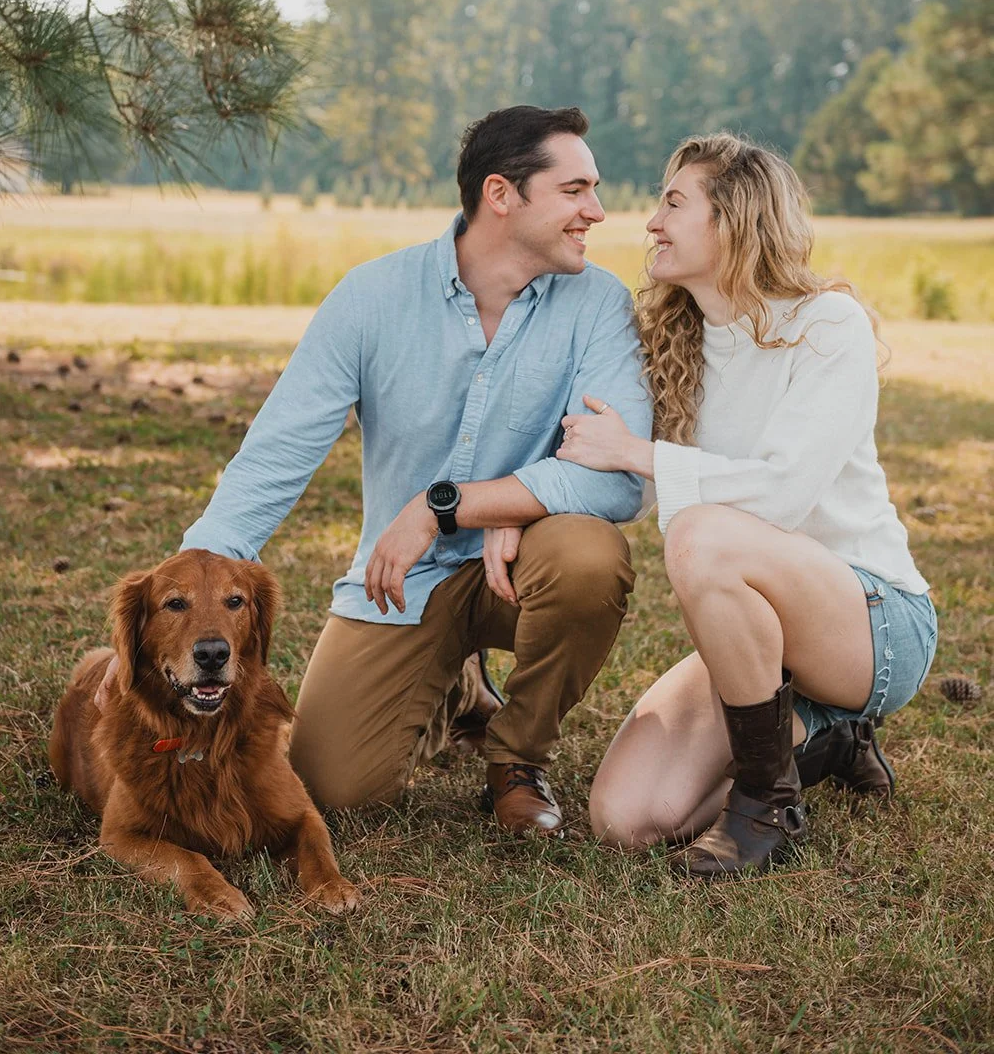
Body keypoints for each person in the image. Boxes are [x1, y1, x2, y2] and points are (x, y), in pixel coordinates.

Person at [167, 106, 651, 835]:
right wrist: (190, 575)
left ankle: (516, 758)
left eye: (595, 190)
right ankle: (458, 690)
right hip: (404, 581)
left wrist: (452, 506)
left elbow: (619, 478)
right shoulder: (371, 298)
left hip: (526, 565)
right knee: (335, 788)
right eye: (575, 190)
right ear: (500, 194)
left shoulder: (601, 304)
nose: (598, 211)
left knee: (589, 557)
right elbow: (276, 454)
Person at [555, 133, 937, 877]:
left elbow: (783, 492)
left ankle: (767, 802)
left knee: (703, 534)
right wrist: (510, 515)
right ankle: (824, 741)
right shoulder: (674, 342)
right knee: (627, 819)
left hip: (871, 622)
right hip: (758, 640)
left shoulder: (826, 325)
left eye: (674, 203)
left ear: (732, 220)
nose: (652, 223)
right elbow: (624, 489)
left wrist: (637, 452)